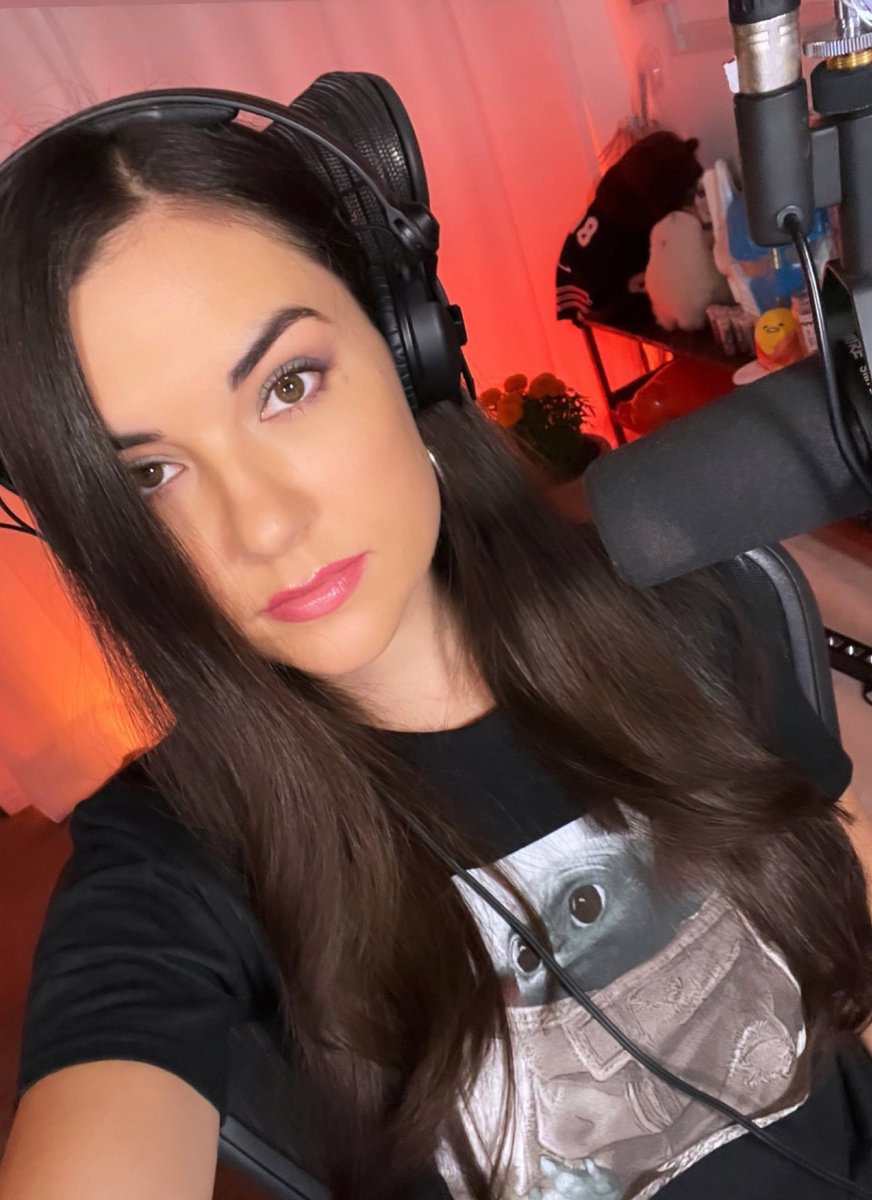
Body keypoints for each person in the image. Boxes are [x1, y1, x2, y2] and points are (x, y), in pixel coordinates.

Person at [0, 95, 869, 1200]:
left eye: (287, 385)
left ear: (404, 347)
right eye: (148, 475)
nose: (261, 525)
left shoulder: (694, 607)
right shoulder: (175, 860)